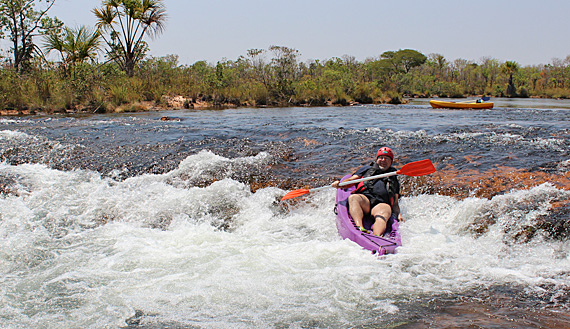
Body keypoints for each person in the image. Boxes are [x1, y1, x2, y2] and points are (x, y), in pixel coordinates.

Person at [331, 147, 404, 236]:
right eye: (381, 157)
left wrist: (399, 215)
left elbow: (395, 203)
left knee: (383, 215)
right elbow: (351, 181)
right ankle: (359, 227)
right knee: (353, 198)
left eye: (387, 158)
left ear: (391, 162)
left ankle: (376, 237)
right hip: (365, 201)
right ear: (377, 159)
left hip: (381, 204)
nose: (383, 160)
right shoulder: (367, 169)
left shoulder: (393, 177)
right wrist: (339, 184)